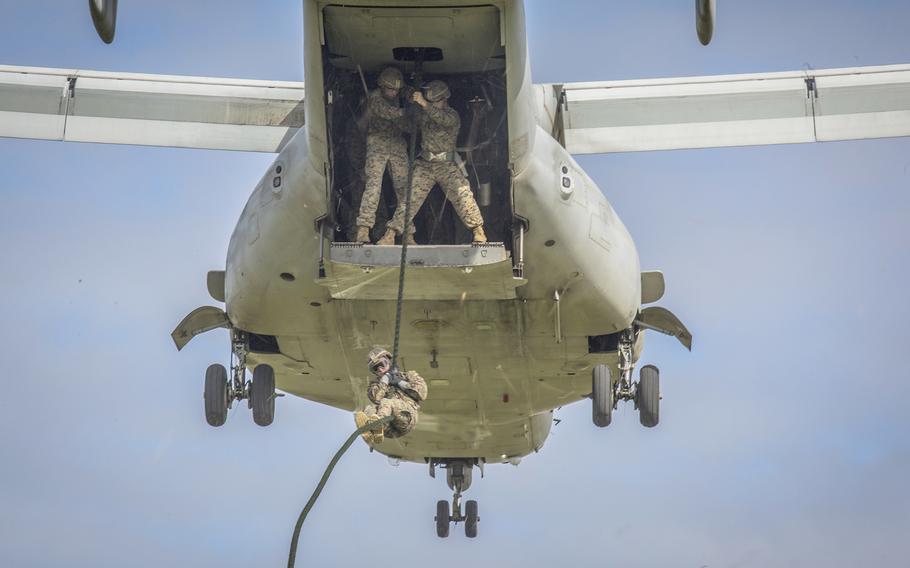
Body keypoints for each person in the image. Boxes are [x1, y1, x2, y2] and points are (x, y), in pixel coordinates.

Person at [378, 79, 486, 245]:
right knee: (409, 199)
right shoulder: (425, 114)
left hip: (446, 166)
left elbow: (441, 119)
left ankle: (478, 231)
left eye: (434, 101)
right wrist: (405, 109)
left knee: (463, 196)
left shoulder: (452, 116)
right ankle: (390, 234)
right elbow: (410, 124)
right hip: (425, 165)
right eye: (430, 101)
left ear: (444, 99)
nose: (431, 104)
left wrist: (423, 104)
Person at [355, 67, 415, 244]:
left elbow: (407, 126)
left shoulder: (398, 95)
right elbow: (389, 113)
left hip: (396, 144)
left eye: (397, 89)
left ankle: (408, 233)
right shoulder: (375, 98)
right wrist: (408, 111)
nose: (394, 92)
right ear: (382, 86)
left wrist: (413, 95)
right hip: (378, 145)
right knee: (373, 187)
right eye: (390, 89)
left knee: (405, 190)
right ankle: (363, 230)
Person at [355, 347, 428, 444]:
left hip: (407, 417)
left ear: (388, 361)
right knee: (368, 410)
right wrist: (385, 380)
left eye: (382, 365)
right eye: (375, 369)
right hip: (389, 429)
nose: (380, 369)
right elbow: (376, 398)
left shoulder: (408, 376)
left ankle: (377, 424)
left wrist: (399, 382)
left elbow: (422, 394)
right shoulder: (375, 385)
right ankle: (373, 431)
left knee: (387, 402)